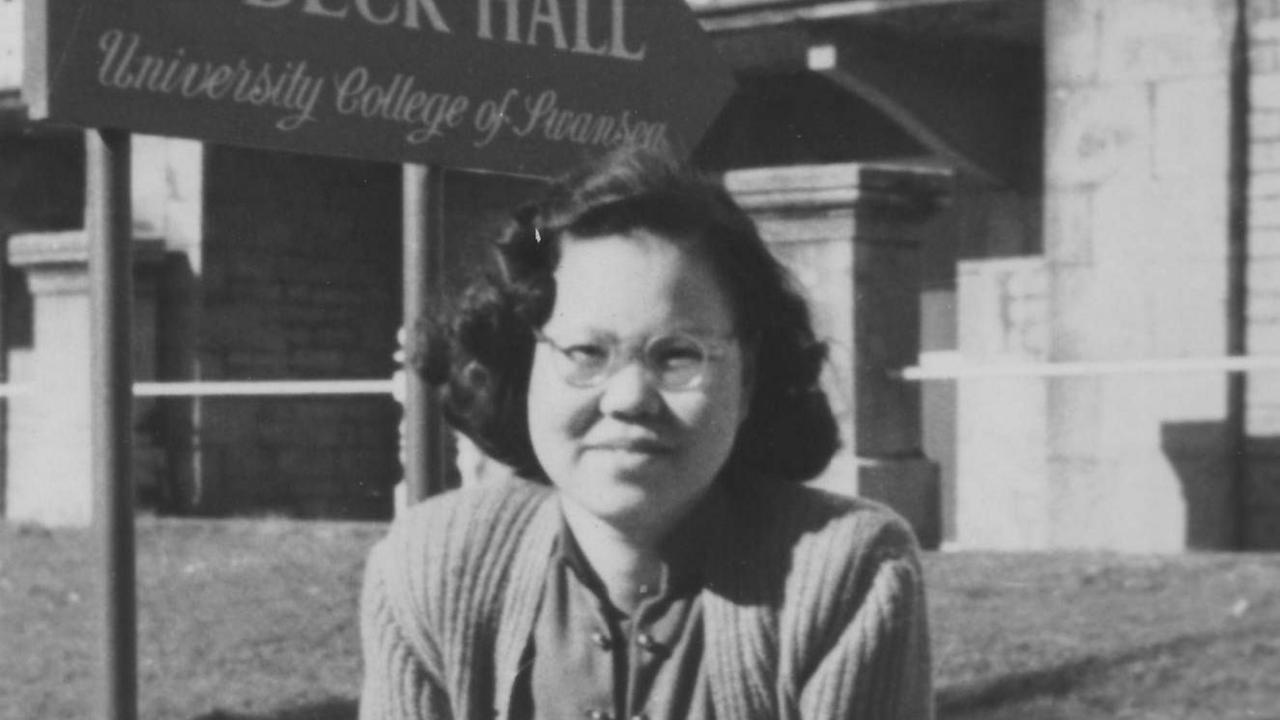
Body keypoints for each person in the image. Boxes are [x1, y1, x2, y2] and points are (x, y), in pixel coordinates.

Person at [358, 148, 933, 720]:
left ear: (749, 377)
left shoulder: (846, 576)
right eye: (587, 352)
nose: (630, 397)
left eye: (679, 356)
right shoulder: (429, 570)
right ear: (522, 366)